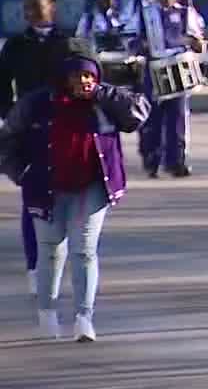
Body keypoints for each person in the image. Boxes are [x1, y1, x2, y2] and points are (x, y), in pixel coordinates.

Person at [0, 40, 150, 341]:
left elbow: (138, 113)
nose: (84, 81)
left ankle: (84, 318)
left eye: (89, 75)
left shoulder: (105, 101)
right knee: (51, 251)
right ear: (63, 76)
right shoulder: (37, 103)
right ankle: (47, 312)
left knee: (84, 251)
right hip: (46, 186)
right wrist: (22, 173)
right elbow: (7, 139)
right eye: (77, 75)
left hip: (91, 187)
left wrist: (102, 93)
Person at [0, 0, 71, 295]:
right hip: (31, 134)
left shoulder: (70, 42)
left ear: (52, 6)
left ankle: (58, 260)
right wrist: (11, 117)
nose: (30, 13)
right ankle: (34, 265)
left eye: (37, 6)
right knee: (33, 203)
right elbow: (2, 89)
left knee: (65, 201)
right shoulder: (15, 46)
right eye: (26, 8)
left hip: (67, 131)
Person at [124, 0, 205, 178]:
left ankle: (176, 160)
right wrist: (140, 48)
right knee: (151, 115)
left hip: (179, 67)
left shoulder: (184, 9)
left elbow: (197, 36)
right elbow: (129, 36)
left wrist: (193, 42)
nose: (166, 1)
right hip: (153, 68)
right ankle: (151, 158)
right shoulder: (140, 6)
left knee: (179, 116)